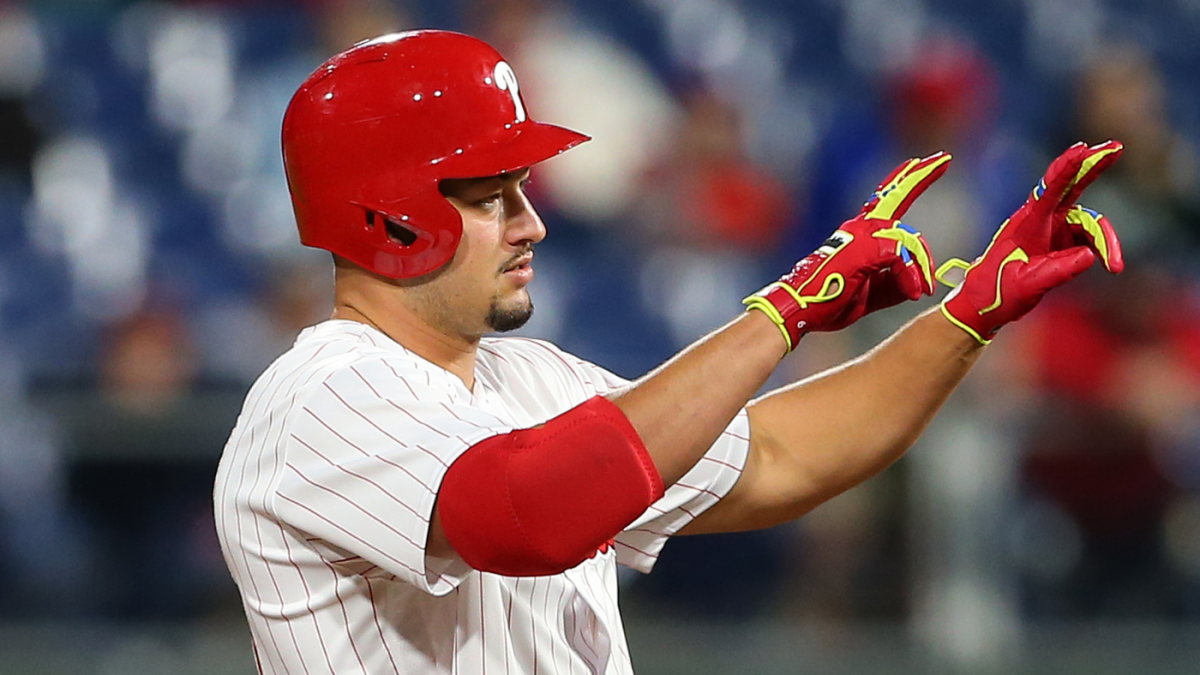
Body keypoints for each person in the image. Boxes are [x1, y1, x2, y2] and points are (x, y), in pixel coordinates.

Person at [213, 30, 1125, 675]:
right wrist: (783, 312)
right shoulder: (318, 400)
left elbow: (781, 456)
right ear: (388, 217)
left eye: (523, 189)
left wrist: (964, 320)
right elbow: (527, 514)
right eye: (492, 196)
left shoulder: (534, 377)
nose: (531, 223)